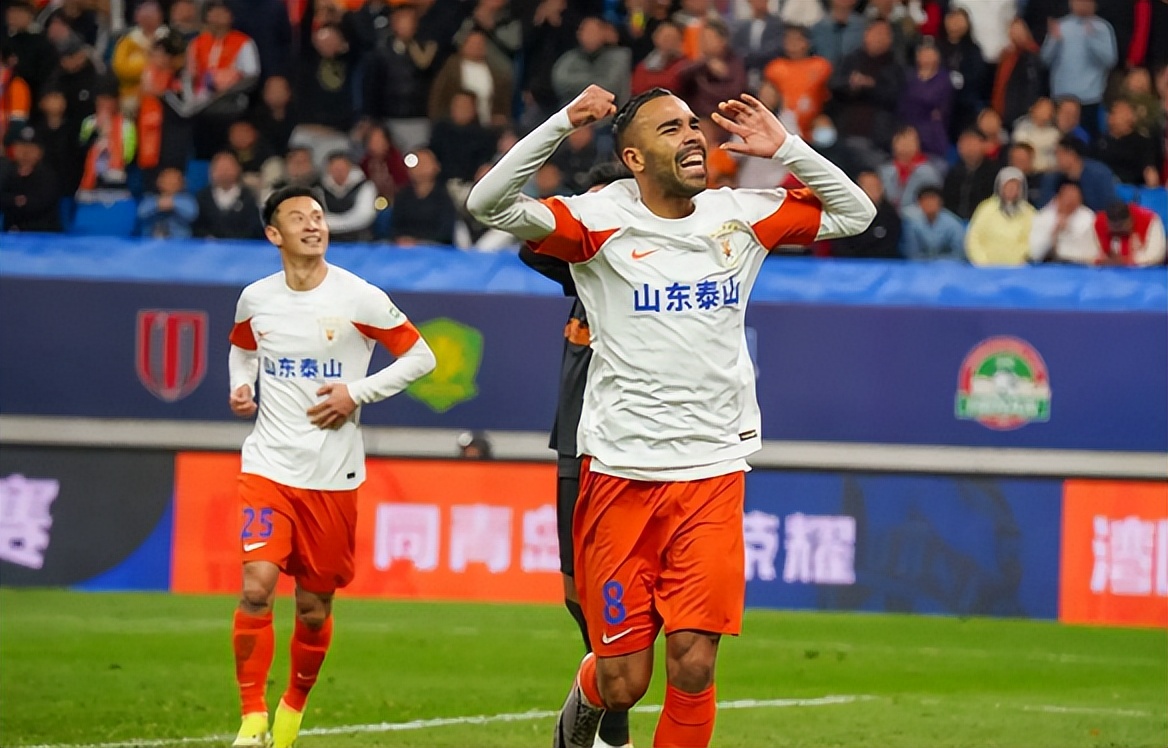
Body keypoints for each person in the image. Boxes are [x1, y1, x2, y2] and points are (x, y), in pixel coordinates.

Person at [466, 84, 874, 748]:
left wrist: (786, 148)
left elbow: (856, 213)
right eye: (670, 129)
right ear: (633, 158)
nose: (692, 136)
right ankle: (587, 698)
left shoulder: (739, 214)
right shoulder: (596, 221)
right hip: (621, 474)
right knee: (624, 681)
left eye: (692, 124)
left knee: (694, 663)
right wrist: (564, 121)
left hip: (712, 472)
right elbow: (486, 204)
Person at [227, 184, 436, 748]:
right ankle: (251, 717)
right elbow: (243, 348)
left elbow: (421, 356)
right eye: (298, 217)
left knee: (314, 609)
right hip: (268, 466)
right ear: (274, 234)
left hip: (332, 475)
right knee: (256, 586)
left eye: (317, 216)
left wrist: (354, 394)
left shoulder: (358, 297)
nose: (312, 224)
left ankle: (292, 708)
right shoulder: (256, 299)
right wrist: (242, 384)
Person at [516, 159, 634, 748]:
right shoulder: (582, 267)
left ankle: (614, 726)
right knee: (574, 592)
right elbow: (529, 246)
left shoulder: (638, 274)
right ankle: (606, 700)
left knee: (621, 590)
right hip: (573, 439)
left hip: (621, 448)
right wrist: (583, 209)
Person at [1041, 0, 1116, 140]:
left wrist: (1093, 39)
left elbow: (1110, 61)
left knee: (1087, 142)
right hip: (1061, 98)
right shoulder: (1061, 26)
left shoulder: (1102, 28)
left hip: (1089, 99)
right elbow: (1045, 60)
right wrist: (1054, 42)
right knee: (1058, 141)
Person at [965, 166, 1037, 266]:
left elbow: (1035, 241)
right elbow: (973, 238)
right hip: (987, 268)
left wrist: (1024, 261)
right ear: (1000, 187)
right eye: (1008, 185)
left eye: (1015, 186)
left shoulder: (1029, 212)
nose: (1011, 189)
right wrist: (982, 263)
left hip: (1019, 269)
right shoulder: (986, 209)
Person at [831, 169, 902, 259]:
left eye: (876, 187)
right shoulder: (845, 213)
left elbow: (892, 246)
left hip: (881, 263)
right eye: (868, 187)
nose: (873, 191)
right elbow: (841, 246)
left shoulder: (890, 215)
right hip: (850, 262)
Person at [1029, 177, 1101, 264]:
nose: (1071, 200)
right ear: (1058, 196)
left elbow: (1094, 251)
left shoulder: (1089, 217)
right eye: (1068, 195)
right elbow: (1036, 254)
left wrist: (1069, 230)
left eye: (1075, 196)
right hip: (1052, 265)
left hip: (1082, 265)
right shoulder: (1043, 217)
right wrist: (1054, 233)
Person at [1038, 135, 1117, 212]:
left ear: (1072, 154)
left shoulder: (1099, 174)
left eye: (1059, 154)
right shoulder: (1051, 179)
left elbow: (1109, 206)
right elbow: (1043, 208)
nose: (1057, 158)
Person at [902, 184, 966, 260]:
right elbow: (912, 253)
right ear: (919, 203)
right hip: (920, 265)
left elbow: (959, 254)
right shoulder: (912, 223)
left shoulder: (953, 223)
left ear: (940, 202)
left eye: (932, 199)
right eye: (925, 199)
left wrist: (937, 262)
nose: (929, 203)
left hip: (948, 264)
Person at [1094, 201, 1167, 267]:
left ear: (1130, 219)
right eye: (1115, 228)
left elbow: (1156, 256)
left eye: (1120, 227)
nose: (1119, 232)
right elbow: (1094, 256)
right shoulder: (1099, 223)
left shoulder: (1149, 220)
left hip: (1147, 273)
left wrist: (1124, 261)